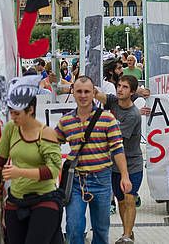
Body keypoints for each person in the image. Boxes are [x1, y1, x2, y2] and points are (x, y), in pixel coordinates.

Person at [0, 75, 63, 243]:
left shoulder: (46, 132)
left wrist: (20, 172)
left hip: (44, 198)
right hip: (16, 199)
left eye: (17, 113)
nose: (13, 117)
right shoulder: (11, 128)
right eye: (11, 113)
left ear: (31, 110)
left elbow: (53, 170)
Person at [56, 76, 132, 244]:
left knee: (101, 229)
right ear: (73, 93)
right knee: (74, 227)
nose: (83, 95)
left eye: (87, 92)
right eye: (79, 91)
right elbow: (52, 142)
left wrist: (125, 176)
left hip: (102, 179)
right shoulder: (65, 121)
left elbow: (118, 149)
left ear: (93, 93)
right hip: (76, 181)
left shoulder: (107, 119)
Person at [94, 75, 143, 244]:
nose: (120, 89)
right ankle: (127, 231)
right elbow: (98, 95)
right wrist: (84, 88)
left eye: (125, 87)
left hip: (132, 164)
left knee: (130, 198)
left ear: (132, 92)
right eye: (119, 85)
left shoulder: (133, 115)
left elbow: (114, 138)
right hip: (114, 165)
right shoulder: (114, 101)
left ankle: (127, 236)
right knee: (120, 201)